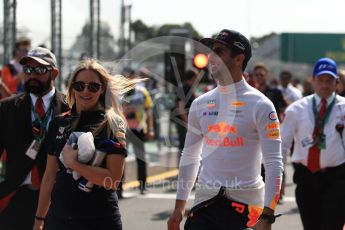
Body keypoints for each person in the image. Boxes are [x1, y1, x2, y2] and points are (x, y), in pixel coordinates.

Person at [167, 29, 283, 230]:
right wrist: (179, 207)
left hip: (247, 207)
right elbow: (190, 156)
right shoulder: (200, 104)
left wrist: (268, 215)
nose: (211, 56)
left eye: (219, 51)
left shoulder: (261, 105)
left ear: (239, 59)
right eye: (211, 50)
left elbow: (274, 163)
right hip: (205, 203)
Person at [33, 59, 137, 230]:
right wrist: (39, 220)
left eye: (93, 86)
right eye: (80, 85)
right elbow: (49, 176)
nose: (85, 91)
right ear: (72, 87)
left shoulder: (112, 123)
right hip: (59, 220)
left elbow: (113, 180)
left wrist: (73, 164)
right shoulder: (59, 123)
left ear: (102, 89)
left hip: (99, 221)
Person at [0, 47, 69, 230]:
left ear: (54, 73)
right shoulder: (6, 109)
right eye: (28, 70)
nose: (32, 75)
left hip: (58, 201)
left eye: (39, 70)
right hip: (15, 198)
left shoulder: (71, 109)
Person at [281, 57, 345, 230]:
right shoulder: (296, 109)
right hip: (306, 177)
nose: (325, 85)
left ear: (336, 82)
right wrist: (277, 178)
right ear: (313, 80)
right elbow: (282, 146)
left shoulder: (344, 107)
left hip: (337, 179)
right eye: (321, 80)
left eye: (329, 80)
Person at [121, 69, 154, 195]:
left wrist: (150, 129)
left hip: (139, 129)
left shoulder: (142, 91)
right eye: (129, 77)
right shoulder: (120, 92)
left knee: (141, 158)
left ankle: (143, 185)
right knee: (120, 158)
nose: (131, 80)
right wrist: (126, 111)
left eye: (133, 78)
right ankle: (119, 189)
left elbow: (149, 112)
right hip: (123, 130)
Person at [175, 69, 198, 164]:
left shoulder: (188, 88)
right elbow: (181, 108)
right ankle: (182, 166)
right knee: (184, 145)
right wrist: (187, 124)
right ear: (192, 77)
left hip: (185, 121)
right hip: (183, 122)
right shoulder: (185, 88)